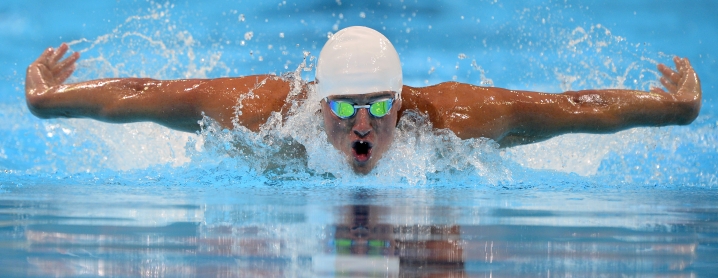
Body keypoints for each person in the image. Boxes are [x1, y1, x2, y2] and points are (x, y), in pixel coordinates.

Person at [25, 26, 702, 175]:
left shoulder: (452, 119)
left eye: (378, 109)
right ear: (319, 101)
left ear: (400, 102)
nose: (360, 125)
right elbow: (147, 94)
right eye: (345, 108)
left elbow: (570, 107)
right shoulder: (261, 112)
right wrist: (51, 99)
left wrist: (670, 108)